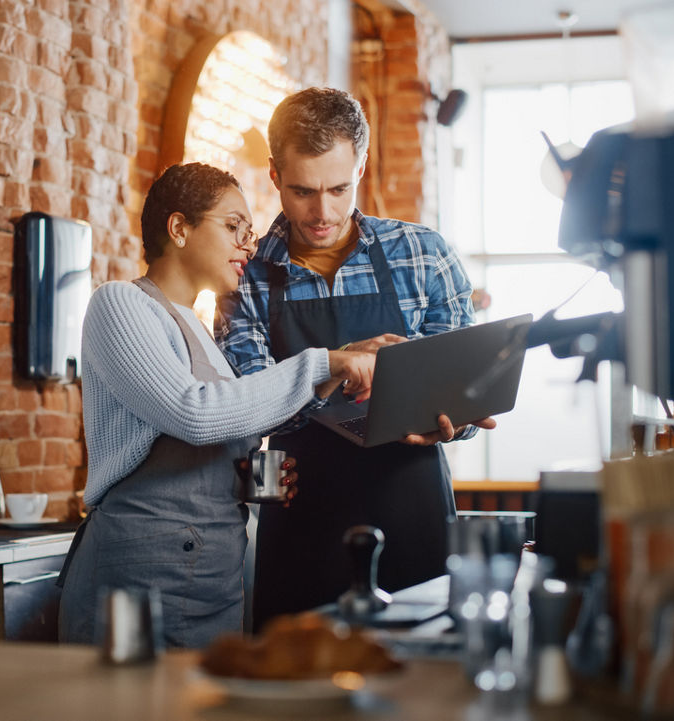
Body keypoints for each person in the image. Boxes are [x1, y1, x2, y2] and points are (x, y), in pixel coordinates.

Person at [57, 162, 375, 649]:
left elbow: (203, 439)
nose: (248, 244)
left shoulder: (201, 333)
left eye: (249, 232)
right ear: (179, 228)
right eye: (234, 228)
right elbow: (194, 413)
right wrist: (322, 364)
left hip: (211, 581)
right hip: (141, 578)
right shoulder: (119, 303)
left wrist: (249, 479)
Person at [216, 87, 497, 629]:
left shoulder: (424, 254)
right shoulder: (243, 274)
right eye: (302, 191)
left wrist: (455, 422)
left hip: (412, 504)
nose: (322, 212)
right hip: (303, 515)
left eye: (339, 188)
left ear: (362, 166)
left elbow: (463, 389)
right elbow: (247, 405)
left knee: (421, 688)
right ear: (274, 174)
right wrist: (336, 363)